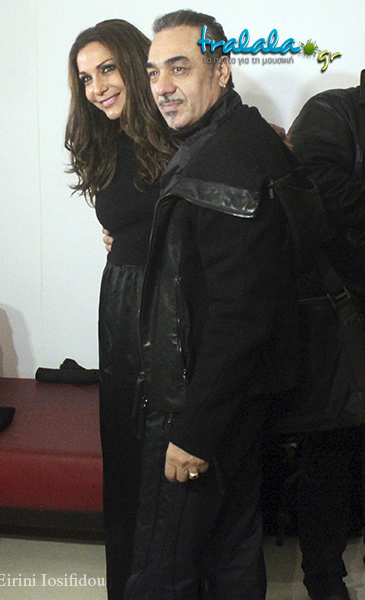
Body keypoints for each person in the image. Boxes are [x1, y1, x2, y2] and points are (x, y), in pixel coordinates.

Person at [123, 9, 321, 600]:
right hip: (233, 399)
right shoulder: (241, 137)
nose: (162, 86)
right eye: (154, 71)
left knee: (164, 569)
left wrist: (194, 432)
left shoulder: (224, 160)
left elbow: (242, 317)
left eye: (179, 68)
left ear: (222, 70)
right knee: (231, 554)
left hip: (199, 403)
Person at [65, 20, 177, 600]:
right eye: (86, 78)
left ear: (135, 64)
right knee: (126, 452)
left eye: (107, 69)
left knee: (166, 452)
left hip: (170, 307)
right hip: (121, 306)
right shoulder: (107, 141)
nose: (97, 87)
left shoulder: (181, 133)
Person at [287, 70, 365, 600]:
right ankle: (324, 578)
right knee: (332, 452)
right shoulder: (333, 111)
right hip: (341, 316)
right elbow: (318, 188)